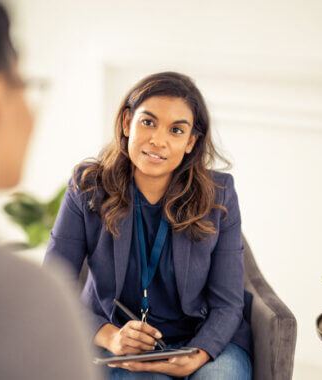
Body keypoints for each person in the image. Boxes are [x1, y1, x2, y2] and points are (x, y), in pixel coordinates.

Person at [45, 71, 254, 379]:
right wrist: (110, 336)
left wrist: (197, 354)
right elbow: (53, 285)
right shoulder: (87, 186)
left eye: (176, 130)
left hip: (203, 338)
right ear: (128, 122)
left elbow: (228, 303)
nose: (159, 140)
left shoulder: (219, 195)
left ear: (191, 142)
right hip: (119, 339)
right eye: (148, 122)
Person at [0, 1, 101, 379]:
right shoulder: (23, 303)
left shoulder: (215, 195)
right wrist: (109, 333)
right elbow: (63, 270)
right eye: (24, 86)